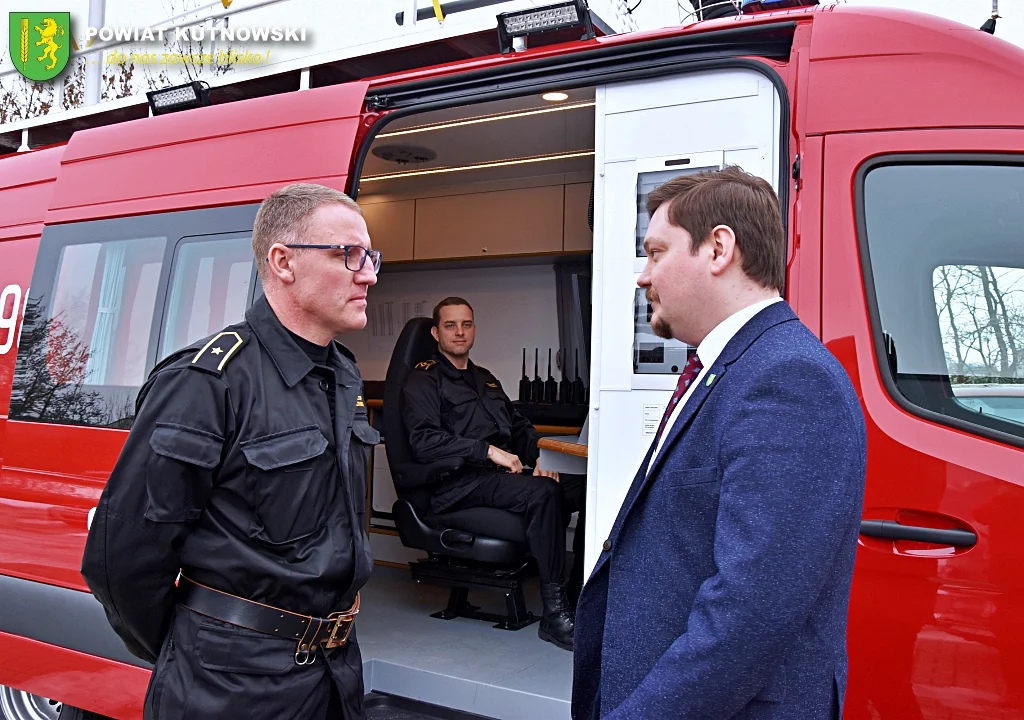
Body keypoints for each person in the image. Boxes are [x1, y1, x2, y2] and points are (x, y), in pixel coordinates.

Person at [571, 166, 867, 719]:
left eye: (655, 252)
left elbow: (750, 610)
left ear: (718, 248)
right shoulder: (730, 368)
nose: (643, 275)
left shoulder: (788, 380)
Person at [81, 183, 382, 720]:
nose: (369, 274)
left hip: (332, 676)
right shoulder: (209, 382)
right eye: (348, 255)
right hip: (230, 689)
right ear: (283, 263)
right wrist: (200, 647)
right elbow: (119, 560)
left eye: (370, 256)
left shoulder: (342, 376)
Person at [401, 297, 586, 651]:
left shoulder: (486, 381)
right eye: (451, 325)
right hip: (458, 484)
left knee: (582, 486)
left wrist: (546, 455)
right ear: (435, 332)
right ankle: (554, 613)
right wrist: (486, 451)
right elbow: (424, 441)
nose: (459, 332)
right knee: (543, 493)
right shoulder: (423, 380)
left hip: (497, 480)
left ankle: (578, 596)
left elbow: (521, 431)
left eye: (466, 324)